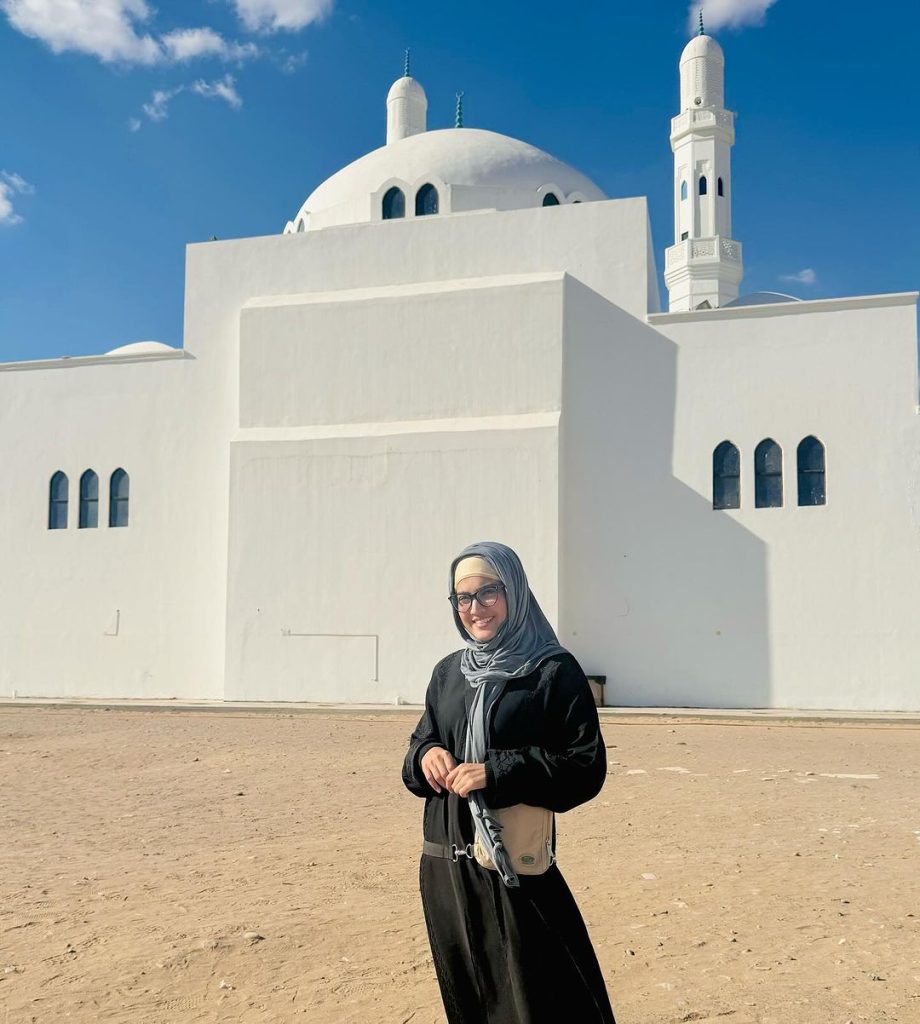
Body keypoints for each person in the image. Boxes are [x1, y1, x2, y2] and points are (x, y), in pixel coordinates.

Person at [401, 541, 617, 1024]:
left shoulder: (553, 671)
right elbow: (418, 748)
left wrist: (497, 772)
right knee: (471, 995)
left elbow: (586, 767)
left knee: (540, 997)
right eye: (462, 597)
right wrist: (426, 756)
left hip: (511, 864)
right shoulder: (448, 673)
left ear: (514, 591)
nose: (474, 608)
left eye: (488, 592)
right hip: (446, 868)